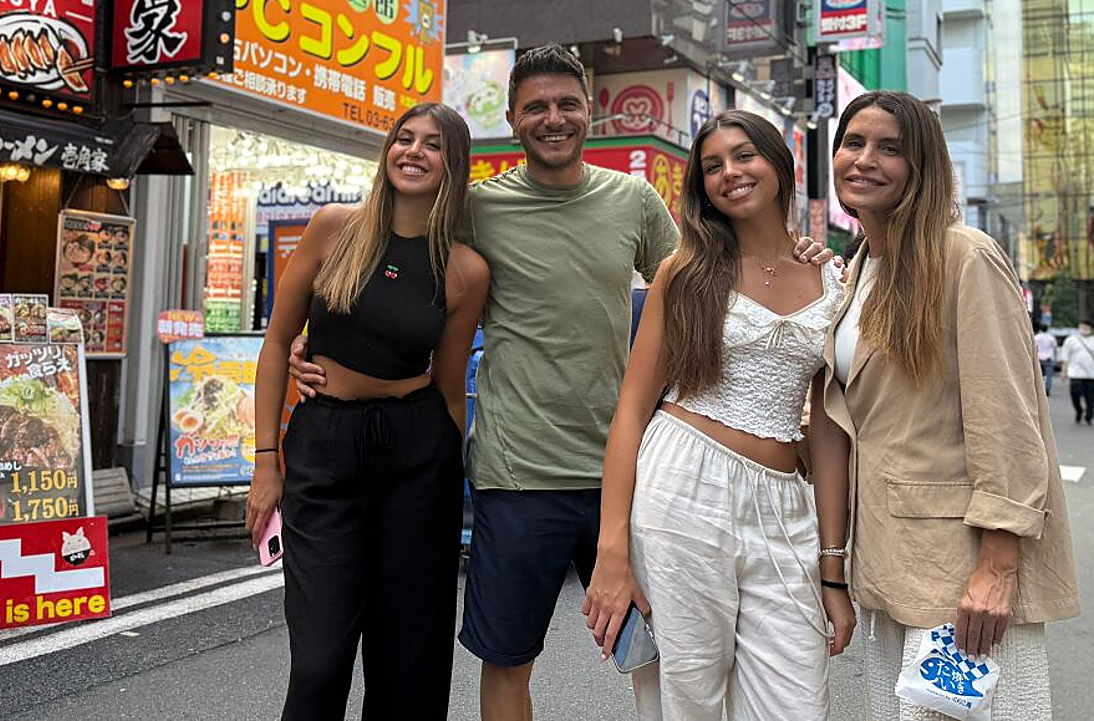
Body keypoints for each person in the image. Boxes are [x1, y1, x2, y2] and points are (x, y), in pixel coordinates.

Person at [289, 44, 833, 720]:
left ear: (590, 112)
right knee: (510, 659)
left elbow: (714, 274)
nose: (554, 118)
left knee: (664, 652)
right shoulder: (476, 209)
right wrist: (321, 345)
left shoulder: (632, 199)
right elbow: (396, 259)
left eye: (567, 104)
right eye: (536, 107)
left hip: (635, 474)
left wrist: (794, 250)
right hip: (518, 474)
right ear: (513, 119)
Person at [583, 111, 855, 720]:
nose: (730, 173)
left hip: (787, 503)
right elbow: (630, 413)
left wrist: (833, 567)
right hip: (683, 487)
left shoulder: (833, 278)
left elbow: (831, 428)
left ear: (779, 164)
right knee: (688, 698)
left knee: (799, 702)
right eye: (712, 166)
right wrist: (611, 551)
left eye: (743, 156)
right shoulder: (686, 271)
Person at [818, 91, 1078, 720]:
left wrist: (998, 563)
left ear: (923, 164)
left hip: (962, 567)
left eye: (890, 148)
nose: (865, 160)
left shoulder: (963, 254)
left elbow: (1007, 418)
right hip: (891, 558)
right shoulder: (857, 272)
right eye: (854, 143)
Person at [245, 103, 489, 721]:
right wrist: (266, 462)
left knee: (409, 657)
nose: (413, 151)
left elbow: (452, 383)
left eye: (432, 145)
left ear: (452, 164)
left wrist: (448, 470)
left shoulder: (465, 269)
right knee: (320, 658)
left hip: (416, 451)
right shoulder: (335, 228)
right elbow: (277, 343)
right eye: (403, 139)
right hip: (324, 444)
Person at [1060, 319, 1094, 424]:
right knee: (1075, 395)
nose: (1084, 329)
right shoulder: (1071, 340)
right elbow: (1065, 357)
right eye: (1082, 327)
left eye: (1086, 327)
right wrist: (1063, 371)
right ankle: (1079, 410)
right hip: (1075, 374)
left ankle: (1089, 415)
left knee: (1091, 397)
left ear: (1091, 329)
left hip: (1091, 375)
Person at [1034, 323, 1057, 396]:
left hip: (1038, 358)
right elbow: (1055, 348)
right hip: (1048, 358)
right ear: (1047, 329)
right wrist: (1055, 357)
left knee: (1038, 375)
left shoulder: (1036, 337)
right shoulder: (1051, 338)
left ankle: (1038, 389)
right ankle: (1047, 389)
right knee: (1049, 375)